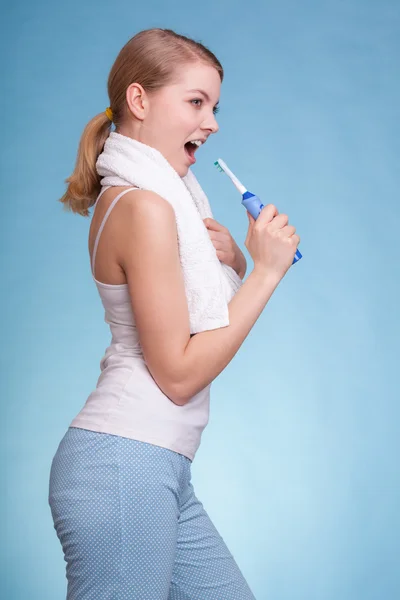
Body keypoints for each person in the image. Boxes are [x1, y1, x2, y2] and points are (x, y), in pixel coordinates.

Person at [48, 27, 300, 599]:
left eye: (214, 106)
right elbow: (179, 374)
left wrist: (236, 258)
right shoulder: (143, 207)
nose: (212, 123)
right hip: (123, 466)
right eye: (196, 102)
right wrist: (264, 273)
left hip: (154, 469)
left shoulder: (156, 203)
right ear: (139, 101)